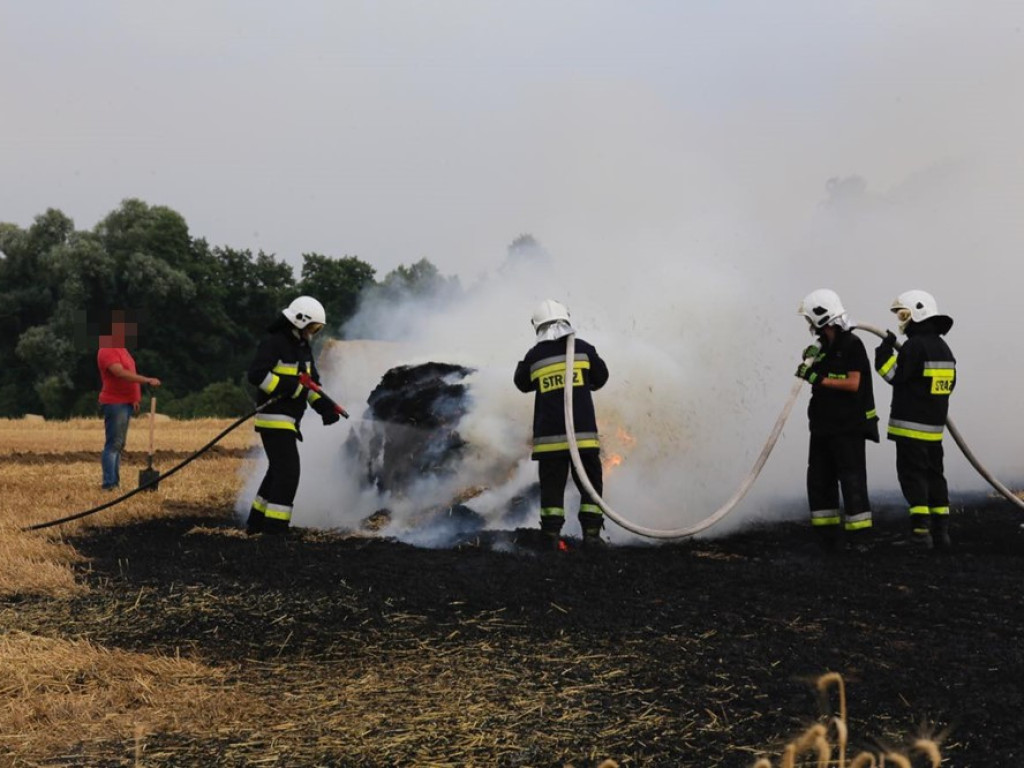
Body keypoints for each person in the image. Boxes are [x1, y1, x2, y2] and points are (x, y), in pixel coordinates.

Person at [514, 299, 609, 549]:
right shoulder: (584, 349)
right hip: (583, 439)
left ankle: (551, 538)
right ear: (566, 319)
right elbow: (602, 377)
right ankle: (591, 536)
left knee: (552, 490)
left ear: (537, 326)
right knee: (591, 487)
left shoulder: (534, 356)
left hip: (549, 442)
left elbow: (521, 383)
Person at [246, 295, 341, 535]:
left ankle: (256, 523)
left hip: (289, 419)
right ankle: (275, 529)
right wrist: (287, 386)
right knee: (288, 473)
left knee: (277, 471)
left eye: (317, 329)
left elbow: (310, 385)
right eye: (312, 327)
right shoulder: (274, 343)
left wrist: (325, 407)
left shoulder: (302, 348)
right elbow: (256, 374)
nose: (313, 332)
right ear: (299, 321)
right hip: (274, 417)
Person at [795, 289, 879, 552]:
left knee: (852, 481)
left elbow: (853, 383)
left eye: (810, 318)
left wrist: (818, 379)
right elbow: (817, 372)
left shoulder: (852, 345)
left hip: (847, 427)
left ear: (821, 316)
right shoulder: (823, 347)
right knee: (819, 480)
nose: (809, 324)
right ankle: (827, 538)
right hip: (823, 426)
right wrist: (810, 360)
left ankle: (860, 539)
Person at [874, 290, 956, 550]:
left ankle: (921, 535)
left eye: (903, 314)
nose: (902, 320)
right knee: (935, 477)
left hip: (910, 428)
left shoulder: (914, 346)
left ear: (917, 313)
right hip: (934, 430)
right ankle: (941, 533)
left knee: (913, 478)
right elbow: (949, 385)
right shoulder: (944, 349)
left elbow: (893, 375)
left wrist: (884, 351)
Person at [97, 310, 162, 491]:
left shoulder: (121, 348)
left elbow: (129, 373)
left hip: (125, 402)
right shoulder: (107, 349)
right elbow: (121, 373)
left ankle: (114, 482)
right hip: (114, 403)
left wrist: (134, 398)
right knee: (113, 444)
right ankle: (109, 484)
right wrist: (146, 380)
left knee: (119, 444)